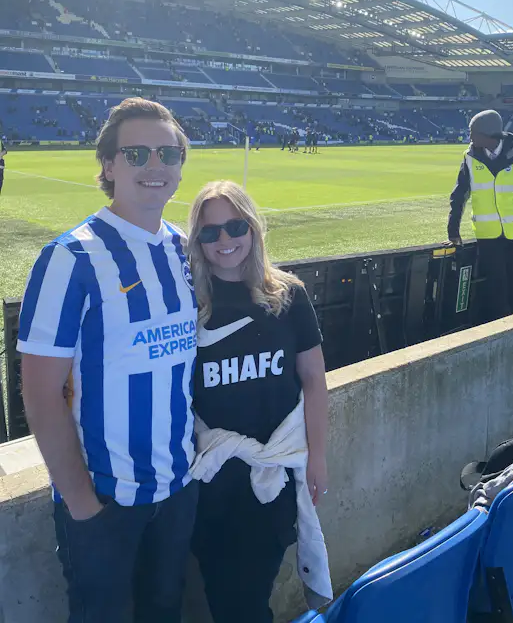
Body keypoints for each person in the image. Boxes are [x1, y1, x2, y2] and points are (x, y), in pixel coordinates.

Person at [18, 98, 199, 623]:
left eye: (169, 153)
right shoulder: (70, 257)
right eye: (137, 153)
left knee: (164, 611)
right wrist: (82, 506)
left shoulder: (183, 250)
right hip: (103, 499)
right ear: (109, 166)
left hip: (177, 488)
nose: (155, 166)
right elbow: (40, 392)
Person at [186, 180, 331, 623]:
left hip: (271, 477)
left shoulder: (288, 295)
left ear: (253, 228)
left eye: (234, 226)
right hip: (208, 479)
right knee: (221, 593)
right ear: (198, 240)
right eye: (210, 233)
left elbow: (314, 380)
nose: (225, 241)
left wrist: (318, 458)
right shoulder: (187, 302)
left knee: (246, 601)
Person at [448, 110, 513, 321]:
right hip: (488, 235)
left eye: (473, 132)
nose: (470, 137)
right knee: (496, 282)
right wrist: (453, 231)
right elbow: (458, 195)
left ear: (489, 135)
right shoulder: (470, 158)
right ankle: (503, 326)